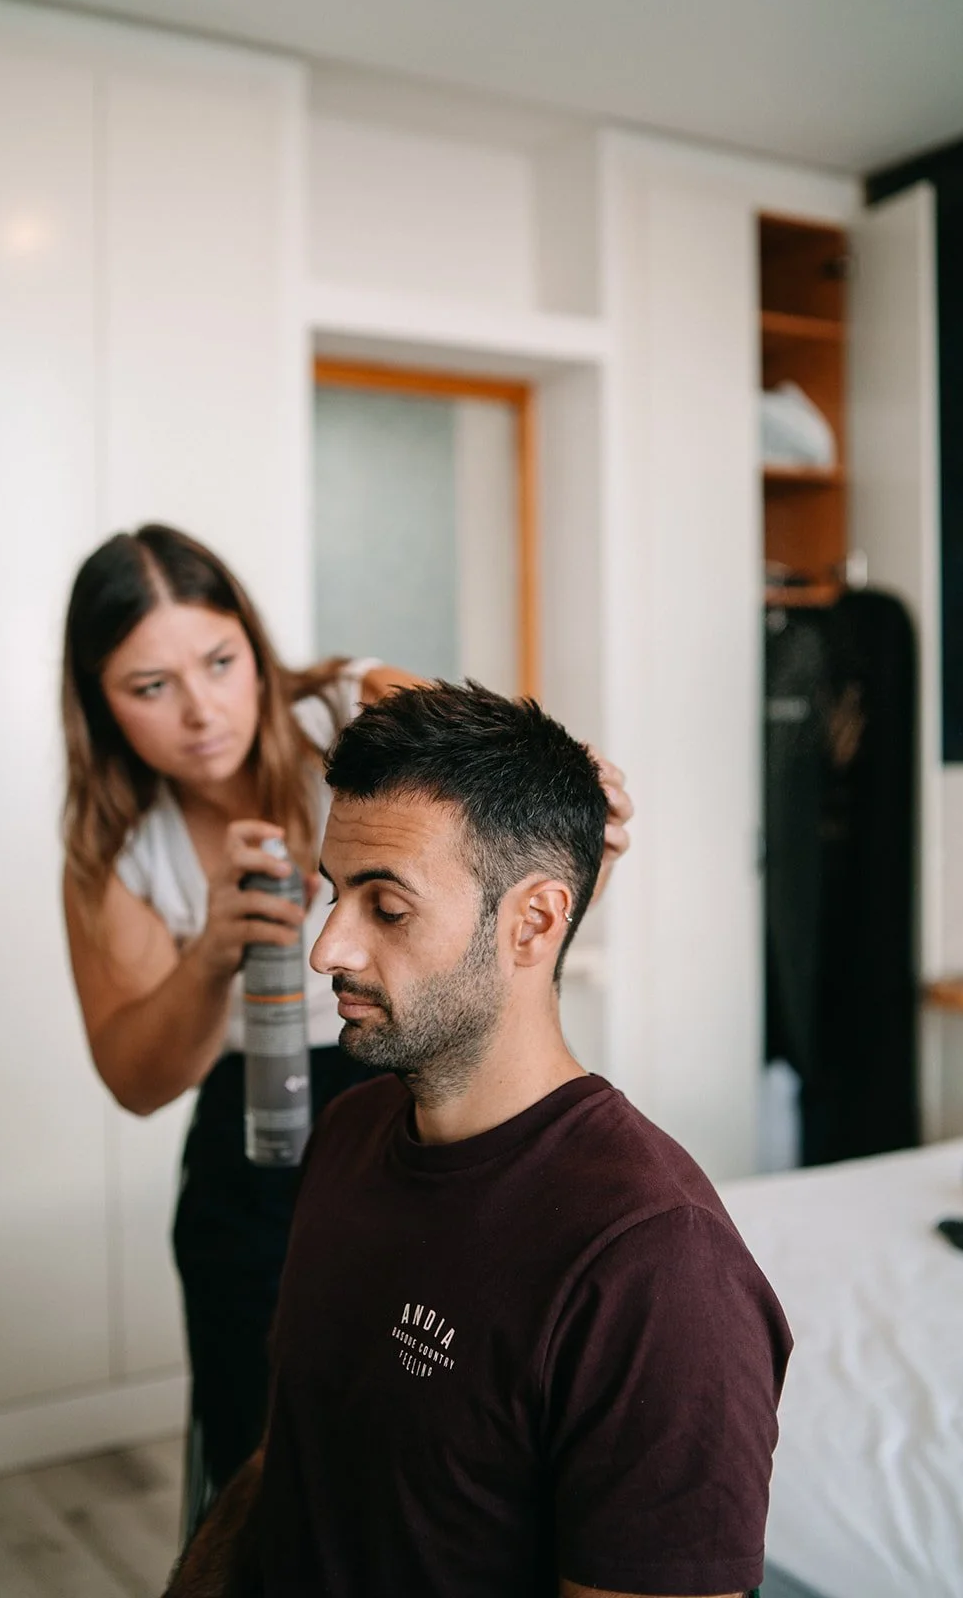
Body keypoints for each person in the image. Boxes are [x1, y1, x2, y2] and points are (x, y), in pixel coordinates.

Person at [60, 526, 633, 1541]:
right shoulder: (117, 846)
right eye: (148, 686)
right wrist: (209, 954)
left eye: (220, 662)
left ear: (254, 640)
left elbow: (496, 861)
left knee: (437, 1427)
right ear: (99, 703)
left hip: (419, 1095)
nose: (199, 711)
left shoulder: (353, 709)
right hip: (255, 1147)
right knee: (264, 1457)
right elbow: (137, 1079)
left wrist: (583, 828)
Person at [165, 680, 792, 1598]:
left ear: (533, 920)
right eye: (335, 895)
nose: (326, 948)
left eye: (386, 907)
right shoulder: (347, 1133)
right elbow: (288, 1455)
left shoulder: (655, 1270)